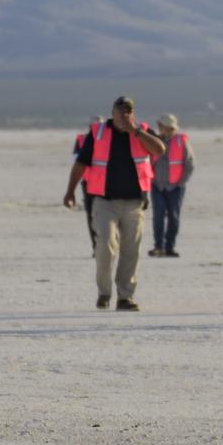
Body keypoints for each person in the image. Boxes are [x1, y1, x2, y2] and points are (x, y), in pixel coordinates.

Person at [63, 96, 165, 311]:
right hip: (104, 201)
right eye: (120, 112)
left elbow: (159, 150)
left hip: (134, 202)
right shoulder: (98, 132)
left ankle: (125, 297)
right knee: (105, 246)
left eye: (128, 111)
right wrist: (70, 190)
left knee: (131, 250)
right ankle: (104, 292)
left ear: (133, 113)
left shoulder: (142, 131)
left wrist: (134, 131)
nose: (124, 115)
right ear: (113, 113)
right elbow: (81, 163)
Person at [147, 113, 195, 258]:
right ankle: (158, 247)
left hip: (176, 187)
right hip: (157, 186)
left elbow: (190, 164)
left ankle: (170, 247)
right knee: (158, 216)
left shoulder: (181, 141)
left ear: (168, 127)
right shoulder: (154, 141)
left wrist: (181, 183)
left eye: (161, 125)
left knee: (174, 217)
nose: (159, 127)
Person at [73, 117, 103, 254]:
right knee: (91, 215)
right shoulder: (81, 139)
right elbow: (76, 161)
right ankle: (96, 246)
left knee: (108, 215)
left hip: (106, 182)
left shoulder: (108, 139)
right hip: (88, 183)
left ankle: (107, 246)